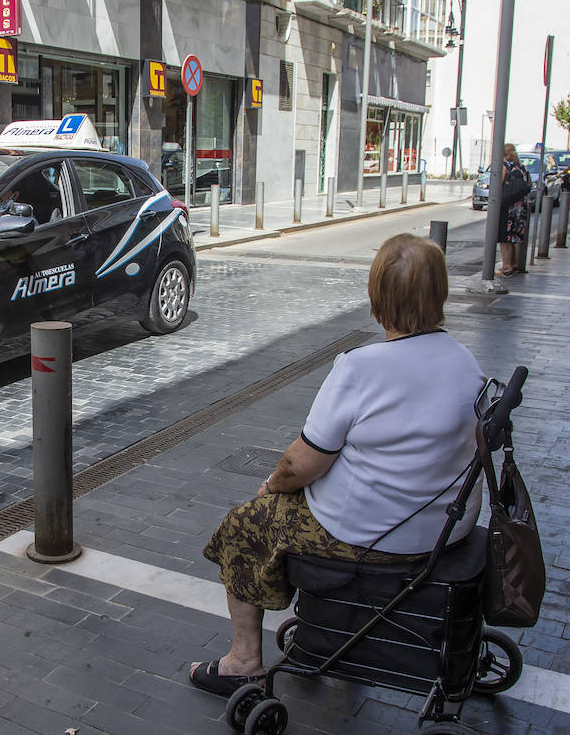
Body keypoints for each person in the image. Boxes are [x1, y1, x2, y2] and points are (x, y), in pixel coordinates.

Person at [189, 234, 484, 696]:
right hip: (448, 527)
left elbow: (302, 464)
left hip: (376, 534)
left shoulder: (360, 368)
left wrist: (271, 484)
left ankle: (243, 662)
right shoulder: (467, 364)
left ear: (376, 298)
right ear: (440, 293)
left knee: (244, 525)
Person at [498, 143, 530, 276]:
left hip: (507, 205)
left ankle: (506, 266)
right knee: (512, 236)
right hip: (519, 207)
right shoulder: (521, 167)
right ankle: (514, 263)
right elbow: (529, 184)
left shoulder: (505, 166)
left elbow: (497, 184)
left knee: (504, 238)